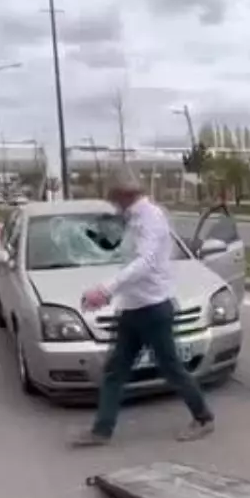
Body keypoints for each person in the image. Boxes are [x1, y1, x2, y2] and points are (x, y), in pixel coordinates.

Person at [73, 166, 216, 447]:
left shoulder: (150, 218)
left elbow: (147, 262)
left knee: (171, 368)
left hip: (153, 309)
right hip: (133, 307)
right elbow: (130, 262)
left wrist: (106, 288)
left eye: (114, 197)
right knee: (115, 371)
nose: (113, 204)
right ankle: (101, 431)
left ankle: (203, 417)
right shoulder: (132, 218)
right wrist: (113, 293)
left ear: (123, 194)